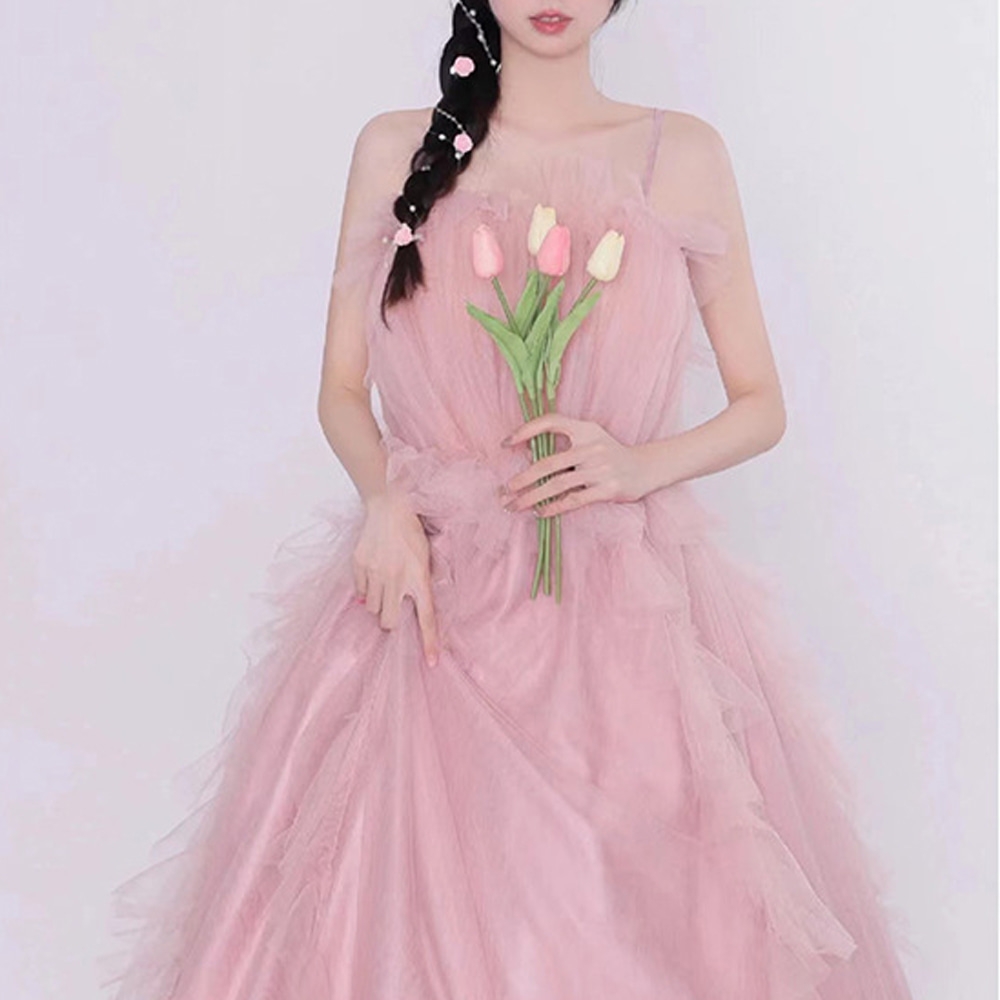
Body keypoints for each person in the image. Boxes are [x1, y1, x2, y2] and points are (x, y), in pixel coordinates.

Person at [102, 2, 918, 998]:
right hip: (430, 600)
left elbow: (762, 405)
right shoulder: (395, 149)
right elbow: (340, 388)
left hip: (624, 617)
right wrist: (382, 503)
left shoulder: (681, 154)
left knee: (629, 924)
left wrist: (637, 466)